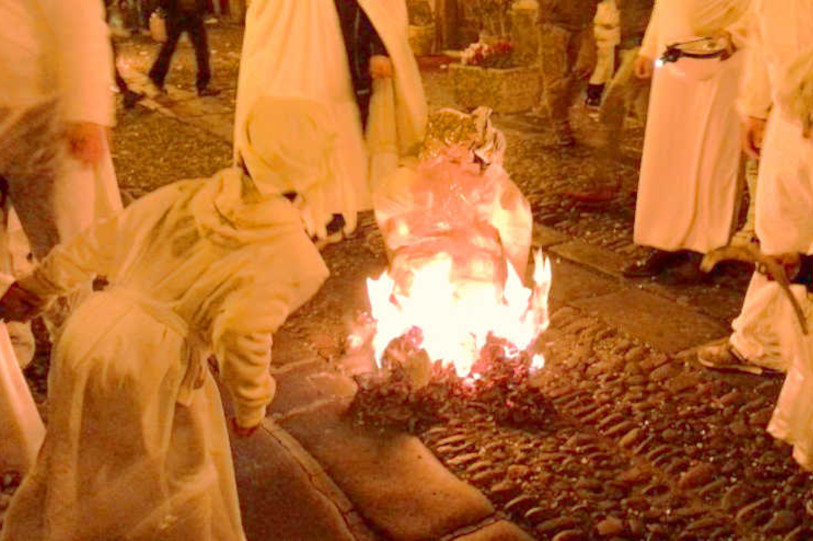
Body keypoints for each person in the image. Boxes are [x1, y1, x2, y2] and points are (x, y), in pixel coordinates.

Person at [0, 98, 331, 540]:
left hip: (91, 328)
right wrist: (252, 401)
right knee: (165, 470)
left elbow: (103, 239)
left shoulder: (188, 194)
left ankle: (69, 523)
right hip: (151, 361)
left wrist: (38, 286)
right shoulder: (293, 255)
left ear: (244, 150)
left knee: (81, 447)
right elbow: (242, 331)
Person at [234, 0, 426, 241]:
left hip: (331, 45)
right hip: (287, 38)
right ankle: (286, 190)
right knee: (286, 108)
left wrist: (378, 48)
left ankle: (330, 198)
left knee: (329, 112)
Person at [621, 0, 751, 279]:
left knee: (714, 152)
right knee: (668, 151)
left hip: (720, 58)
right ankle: (666, 239)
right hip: (674, 59)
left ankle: (709, 247)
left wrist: (736, 35)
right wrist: (649, 47)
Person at [567, 0, 654, 203]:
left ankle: (605, 182)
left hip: (642, 50)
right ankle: (663, 183)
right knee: (650, 121)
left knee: (610, 109)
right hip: (631, 48)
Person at [535, 0, 599, 146]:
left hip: (583, 23)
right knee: (555, 77)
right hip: (553, 23)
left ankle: (555, 107)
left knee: (584, 71)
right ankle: (561, 125)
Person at [148, 0, 219, 96]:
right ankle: (203, 85)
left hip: (183, 12)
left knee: (171, 47)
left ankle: (157, 74)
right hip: (181, 11)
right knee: (199, 48)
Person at [585, 0, 620, 108]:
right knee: (601, 66)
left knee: (606, 66)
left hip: (612, 32)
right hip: (603, 30)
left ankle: (596, 95)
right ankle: (593, 95)